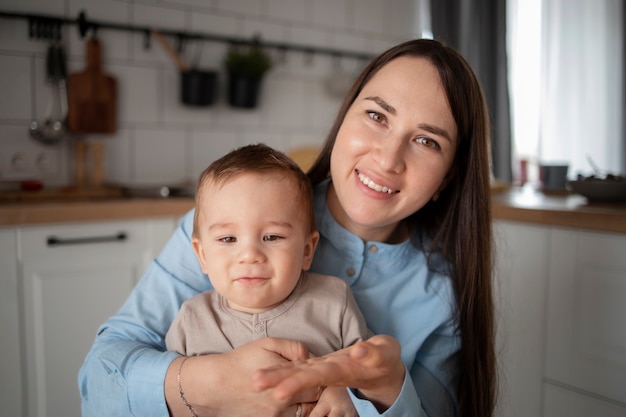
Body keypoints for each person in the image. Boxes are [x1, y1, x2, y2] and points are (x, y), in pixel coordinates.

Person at [79, 38, 496, 417]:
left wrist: (382, 395)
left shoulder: (444, 295)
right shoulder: (233, 224)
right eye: (376, 115)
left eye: (427, 141)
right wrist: (217, 383)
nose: (388, 159)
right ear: (343, 119)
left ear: (448, 177)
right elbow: (98, 382)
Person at [165, 143, 370, 417]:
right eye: (228, 239)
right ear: (202, 255)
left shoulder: (334, 301)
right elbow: (172, 401)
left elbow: (369, 373)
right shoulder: (191, 321)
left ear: (307, 251)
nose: (249, 255)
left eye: (272, 237)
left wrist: (346, 394)